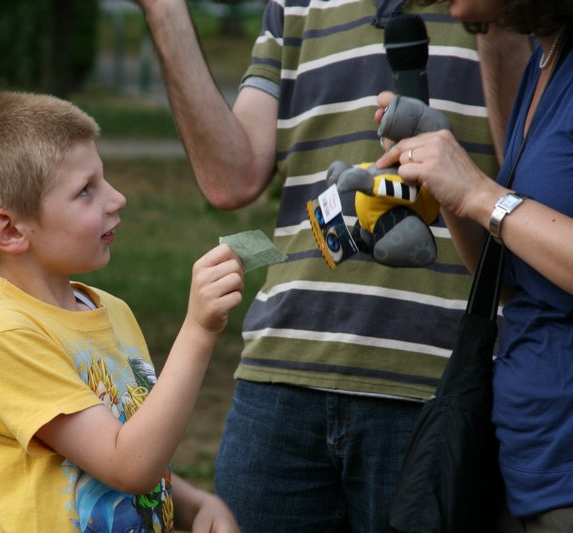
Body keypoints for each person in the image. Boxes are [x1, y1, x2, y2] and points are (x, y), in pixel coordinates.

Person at [132, 0, 531, 530]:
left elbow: (531, 172)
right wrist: (165, 12)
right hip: (281, 373)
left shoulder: (494, 6)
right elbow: (229, 179)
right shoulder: (295, 5)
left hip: (440, 378)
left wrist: (496, 29)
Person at [0, 91, 244, 532]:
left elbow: (115, 446)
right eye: (85, 191)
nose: (117, 198)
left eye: (104, 179)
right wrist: (198, 330)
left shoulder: (110, 310)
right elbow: (127, 463)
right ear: (9, 230)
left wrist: (192, 505)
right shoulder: (1, 336)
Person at [376, 0, 573, 529]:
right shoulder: (546, 61)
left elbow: (500, 208)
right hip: (526, 459)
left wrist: (483, 194)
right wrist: (449, 184)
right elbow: (518, 280)